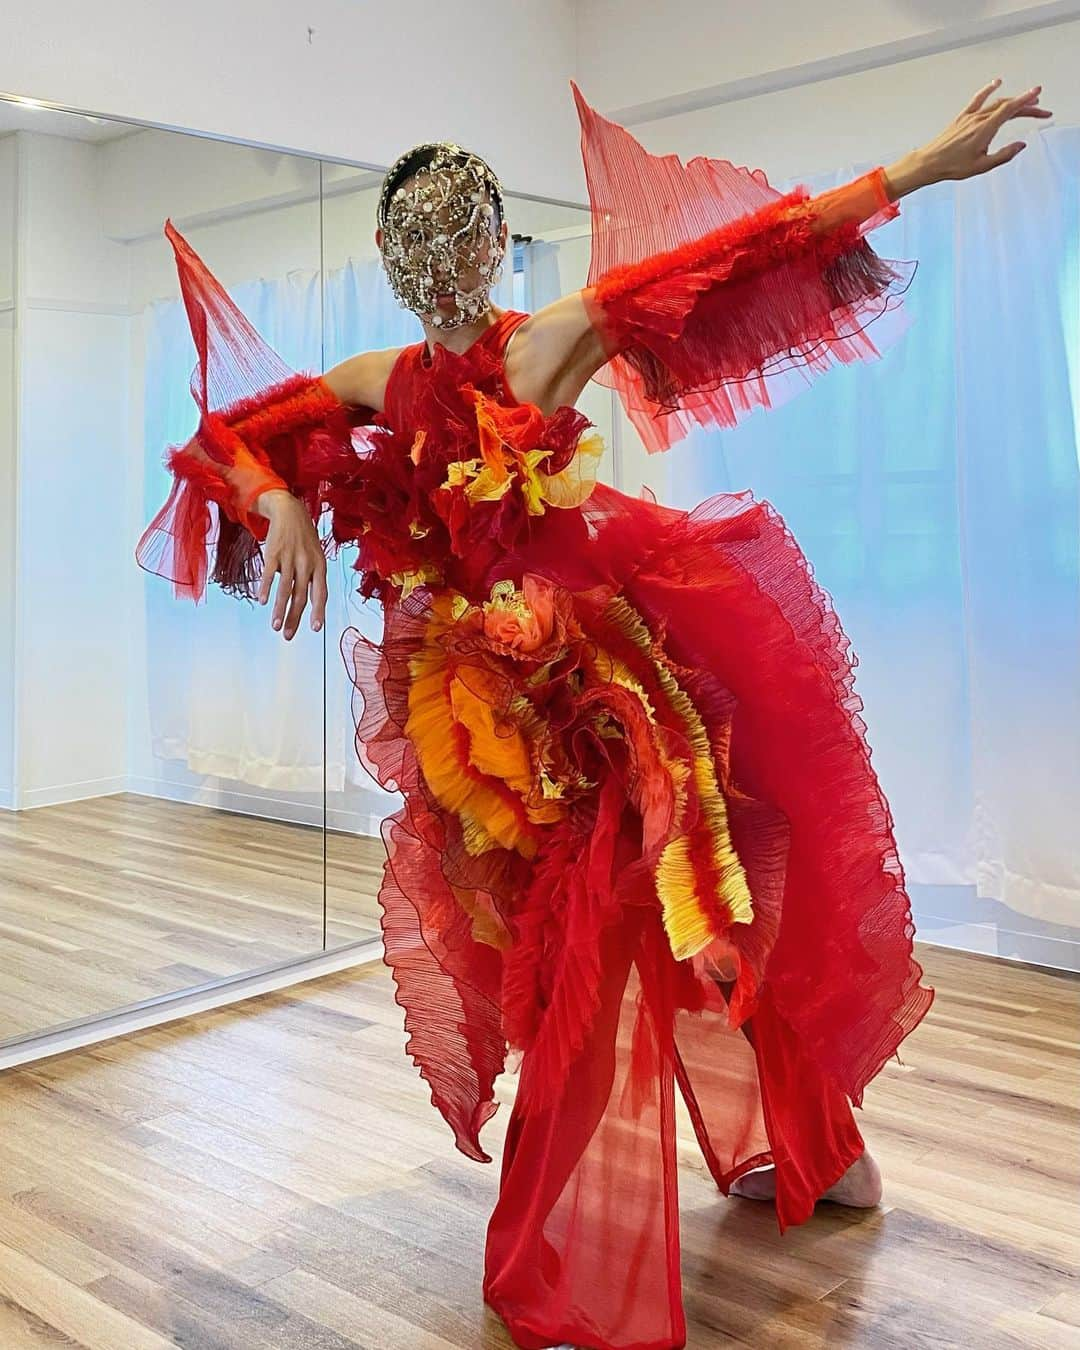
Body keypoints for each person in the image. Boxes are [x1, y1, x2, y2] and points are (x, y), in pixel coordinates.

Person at [137, 78, 1050, 1350]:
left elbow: (736, 261)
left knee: (611, 939)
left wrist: (911, 172)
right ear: (397, 261)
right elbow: (228, 437)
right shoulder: (379, 375)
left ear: (491, 236)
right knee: (626, 939)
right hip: (486, 720)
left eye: (458, 233)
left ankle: (562, 1240)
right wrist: (279, 497)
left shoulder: (548, 338)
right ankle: (813, 1149)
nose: (439, 261)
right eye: (415, 243)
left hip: (604, 695)